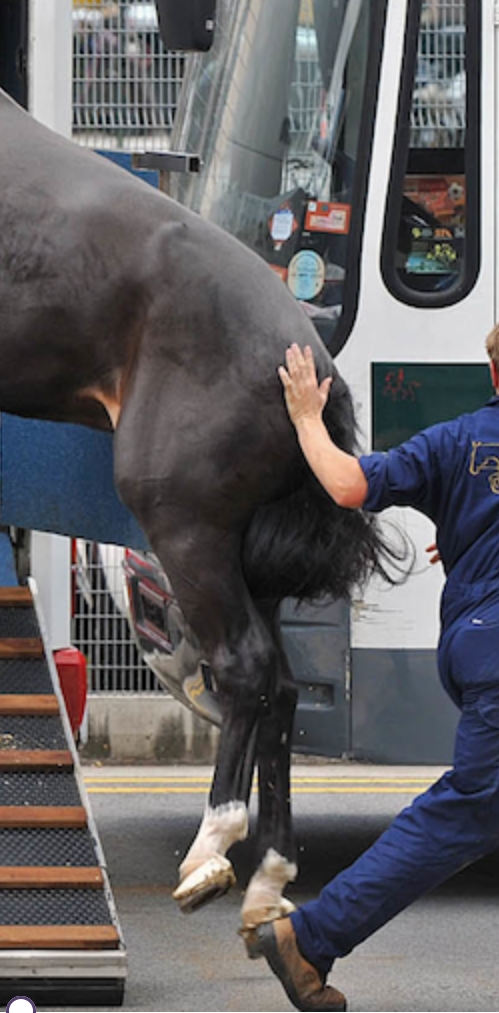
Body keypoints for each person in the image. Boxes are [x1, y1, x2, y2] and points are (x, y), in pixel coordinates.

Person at [258, 338, 499, 1011]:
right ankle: (309, 936)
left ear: (490, 371)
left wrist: (308, 416)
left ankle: (311, 938)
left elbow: (346, 484)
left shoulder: (454, 443)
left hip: (473, 644)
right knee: (470, 810)